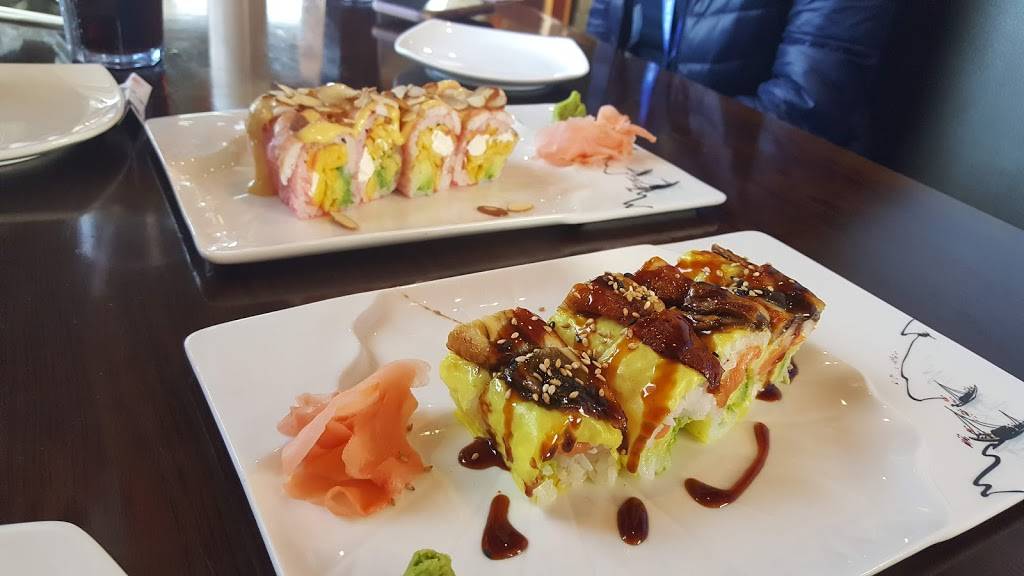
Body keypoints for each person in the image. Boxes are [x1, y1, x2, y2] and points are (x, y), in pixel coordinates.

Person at [587, 0, 896, 149]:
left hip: (758, 184)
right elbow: (603, 29)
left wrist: (669, 142)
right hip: (637, 157)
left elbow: (805, 106)